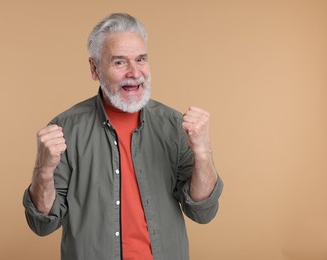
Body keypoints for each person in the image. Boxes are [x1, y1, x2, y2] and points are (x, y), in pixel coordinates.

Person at [23, 13, 223, 260]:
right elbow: (42, 224)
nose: (134, 72)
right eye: (119, 62)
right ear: (95, 68)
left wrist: (203, 153)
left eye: (141, 59)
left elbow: (203, 212)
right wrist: (43, 170)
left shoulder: (174, 125)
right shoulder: (65, 129)